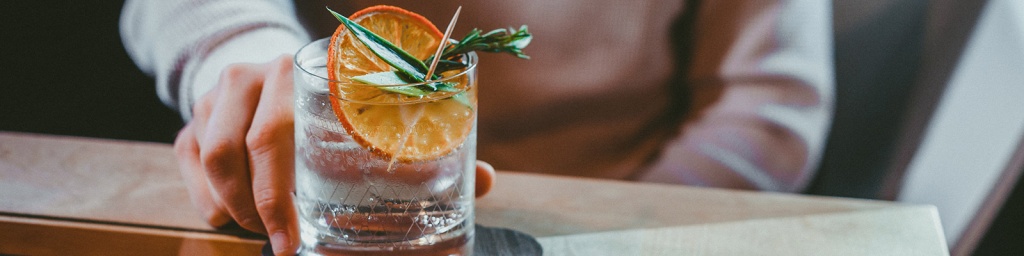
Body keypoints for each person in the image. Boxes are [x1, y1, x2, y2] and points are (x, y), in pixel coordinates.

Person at [121, 0, 833, 254]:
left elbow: (769, 110)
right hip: (337, 203)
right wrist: (244, 65)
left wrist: (602, 239)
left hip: (613, 216)